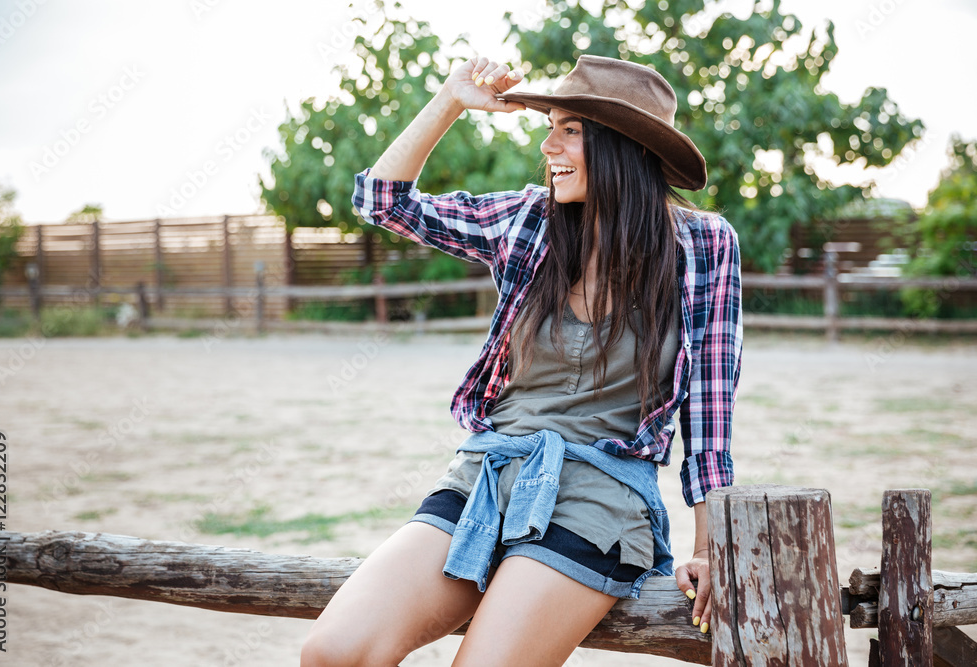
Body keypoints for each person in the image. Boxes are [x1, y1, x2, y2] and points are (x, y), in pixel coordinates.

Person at [301, 53, 742, 666]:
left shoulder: (703, 245)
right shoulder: (529, 219)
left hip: (601, 494)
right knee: (334, 653)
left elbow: (711, 408)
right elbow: (382, 202)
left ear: (623, 146)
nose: (547, 145)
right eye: (550, 125)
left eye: (569, 130)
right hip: (487, 475)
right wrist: (451, 99)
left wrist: (711, 546)